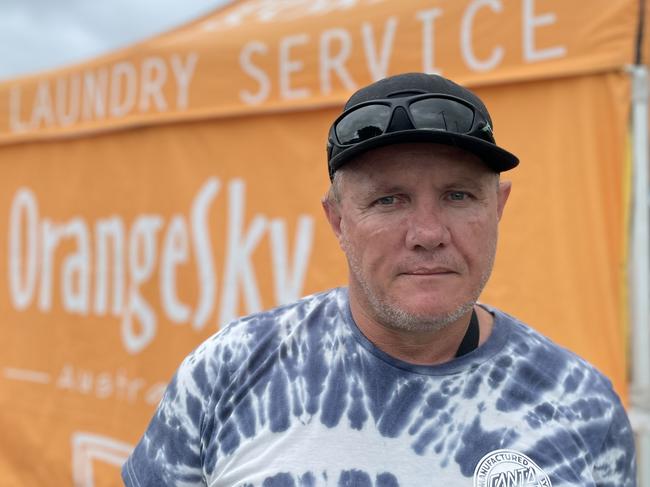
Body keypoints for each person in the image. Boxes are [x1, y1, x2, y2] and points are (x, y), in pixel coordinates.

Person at [122, 73, 636, 486]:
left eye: (459, 196)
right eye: (388, 199)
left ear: (498, 208)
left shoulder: (580, 405)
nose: (429, 233)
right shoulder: (227, 369)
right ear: (338, 221)